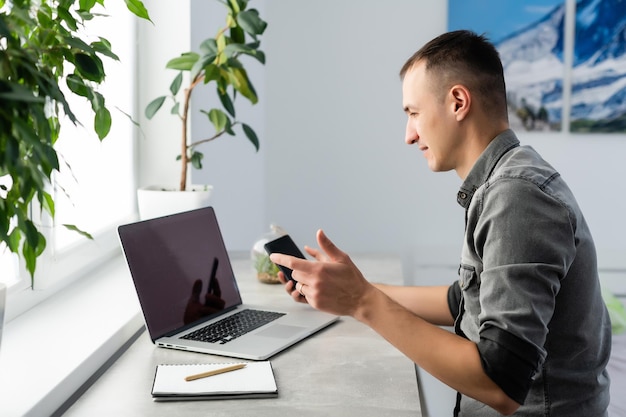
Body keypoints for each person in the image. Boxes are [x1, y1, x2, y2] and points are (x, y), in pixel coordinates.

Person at [270, 30, 612, 416]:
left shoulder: (517, 196)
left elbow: (501, 384)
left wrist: (363, 302)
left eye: (413, 112)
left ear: (458, 102)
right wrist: (351, 290)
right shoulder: (503, 183)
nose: (408, 135)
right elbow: (462, 302)